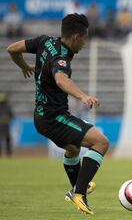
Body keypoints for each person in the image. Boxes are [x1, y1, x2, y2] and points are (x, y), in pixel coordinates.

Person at [7, 13, 109, 215]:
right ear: (76, 37)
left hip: (41, 116)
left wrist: (24, 67)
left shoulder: (44, 41)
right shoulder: (61, 58)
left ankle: (77, 188)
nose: (85, 44)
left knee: (72, 149)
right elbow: (62, 80)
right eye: (85, 39)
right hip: (55, 118)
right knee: (101, 142)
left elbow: (12, 49)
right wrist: (83, 97)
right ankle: (78, 193)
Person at [0, 92, 13, 157]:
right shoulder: (8, 107)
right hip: (6, 125)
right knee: (7, 139)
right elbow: (12, 116)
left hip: (1, 126)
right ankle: (8, 153)